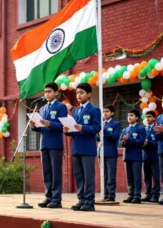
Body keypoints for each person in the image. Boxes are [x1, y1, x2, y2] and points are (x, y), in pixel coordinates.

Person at [29, 82, 67, 208]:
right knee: (46, 172)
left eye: (49, 91)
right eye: (45, 92)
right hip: (44, 144)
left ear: (56, 93)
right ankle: (48, 196)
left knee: (56, 172)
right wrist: (34, 127)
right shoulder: (43, 108)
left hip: (55, 144)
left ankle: (56, 199)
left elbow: (63, 125)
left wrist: (49, 124)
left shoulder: (61, 106)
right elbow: (42, 127)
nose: (47, 94)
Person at [64, 83, 101, 211]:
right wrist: (67, 130)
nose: (78, 95)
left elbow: (97, 128)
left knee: (88, 176)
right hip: (76, 148)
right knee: (79, 175)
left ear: (89, 94)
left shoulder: (94, 110)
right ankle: (81, 200)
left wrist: (83, 127)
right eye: (77, 93)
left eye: (81, 92)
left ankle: (89, 201)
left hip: (88, 149)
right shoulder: (74, 111)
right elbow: (72, 129)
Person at [120, 109, 145, 204]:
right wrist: (124, 141)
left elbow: (141, 142)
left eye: (132, 115)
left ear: (137, 118)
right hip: (127, 156)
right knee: (129, 177)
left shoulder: (140, 129)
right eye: (128, 115)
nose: (129, 117)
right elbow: (120, 142)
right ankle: (130, 194)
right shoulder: (124, 130)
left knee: (137, 177)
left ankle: (137, 195)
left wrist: (129, 139)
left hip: (136, 156)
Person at [98, 104, 121, 202]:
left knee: (111, 175)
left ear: (112, 113)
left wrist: (105, 131)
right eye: (103, 111)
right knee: (104, 175)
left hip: (111, 152)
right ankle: (105, 193)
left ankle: (111, 194)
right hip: (101, 152)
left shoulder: (115, 124)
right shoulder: (101, 124)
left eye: (107, 111)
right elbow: (97, 138)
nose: (105, 113)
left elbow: (115, 137)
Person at [142, 111, 160, 203]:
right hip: (145, 156)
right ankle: (148, 194)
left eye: (149, 117)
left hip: (155, 156)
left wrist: (148, 143)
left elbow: (159, 143)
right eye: (146, 117)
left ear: (154, 118)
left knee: (156, 177)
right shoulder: (143, 129)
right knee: (146, 177)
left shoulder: (157, 129)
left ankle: (156, 195)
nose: (148, 119)